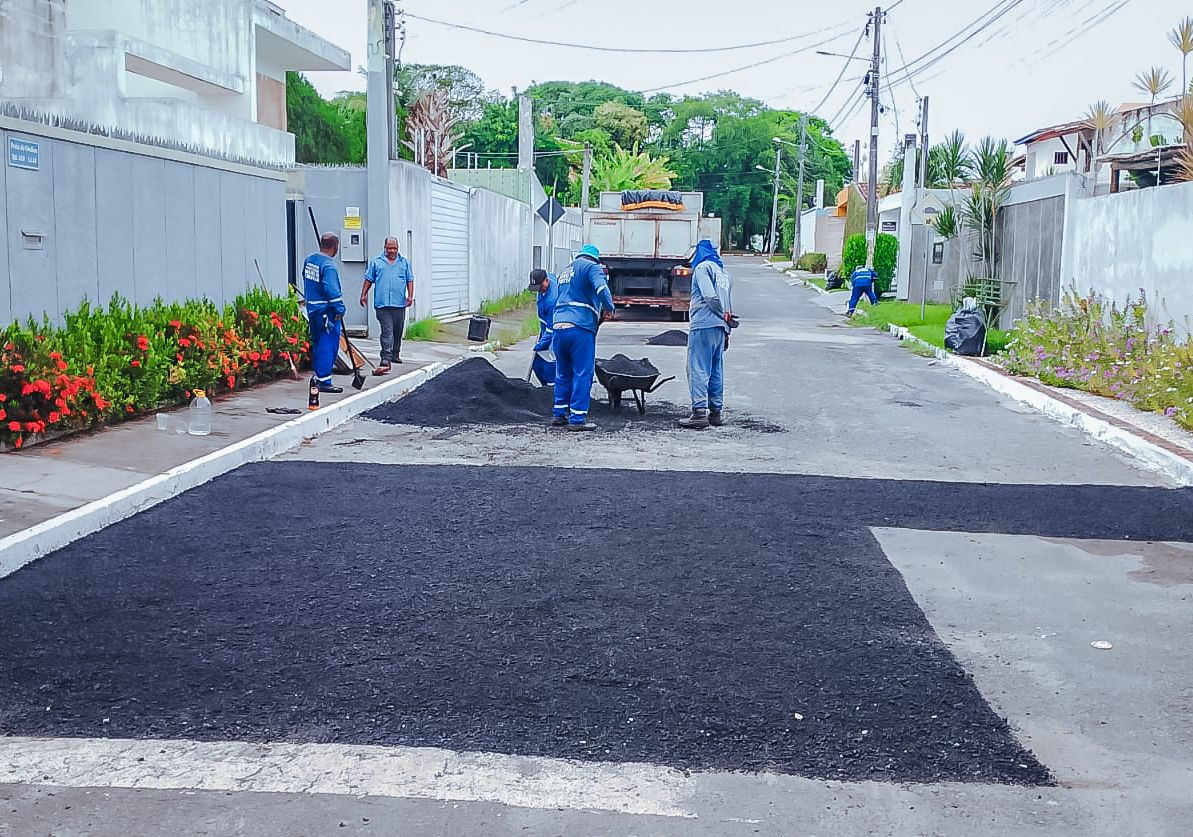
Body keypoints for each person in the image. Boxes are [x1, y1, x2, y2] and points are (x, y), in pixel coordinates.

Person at [551, 244, 614, 431]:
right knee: (582, 372)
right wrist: (610, 307)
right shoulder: (592, 267)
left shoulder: (565, 271)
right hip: (579, 327)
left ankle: (559, 414)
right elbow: (602, 289)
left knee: (563, 372)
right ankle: (577, 419)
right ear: (595, 258)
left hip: (558, 327)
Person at [679, 239, 734, 430]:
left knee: (698, 367)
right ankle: (715, 412)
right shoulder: (724, 273)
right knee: (716, 368)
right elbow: (729, 303)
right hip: (720, 328)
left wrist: (717, 312)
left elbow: (710, 296)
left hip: (703, 324)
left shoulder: (703, 269)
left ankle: (699, 413)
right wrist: (726, 327)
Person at [359, 236, 415, 374]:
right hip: (382, 303)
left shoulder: (404, 263)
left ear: (398, 248)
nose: (391, 251)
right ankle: (385, 358)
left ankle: (395, 353)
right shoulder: (377, 262)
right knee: (387, 331)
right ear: (385, 247)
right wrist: (363, 294)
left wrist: (410, 296)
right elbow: (369, 279)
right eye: (389, 248)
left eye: (394, 248)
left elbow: (410, 280)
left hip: (399, 303)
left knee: (398, 330)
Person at [303, 232, 347, 394]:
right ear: (335, 246)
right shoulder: (328, 266)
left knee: (318, 343)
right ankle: (324, 380)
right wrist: (340, 308)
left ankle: (317, 376)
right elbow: (331, 289)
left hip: (312, 310)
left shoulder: (310, 261)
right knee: (328, 346)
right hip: (326, 312)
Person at [528, 268, 558, 386]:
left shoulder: (552, 300)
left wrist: (540, 344)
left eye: (540, 287)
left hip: (554, 331)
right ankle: (544, 385)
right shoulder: (545, 280)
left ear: (546, 281)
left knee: (550, 359)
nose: (538, 291)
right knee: (536, 361)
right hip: (545, 327)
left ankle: (552, 388)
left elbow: (551, 330)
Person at [846, 252, 879, 317]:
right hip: (867, 284)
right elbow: (875, 276)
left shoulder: (855, 272)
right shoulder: (868, 270)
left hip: (857, 286)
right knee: (870, 294)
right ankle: (875, 303)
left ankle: (850, 310)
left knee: (854, 298)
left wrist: (854, 286)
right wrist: (871, 280)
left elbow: (852, 281)